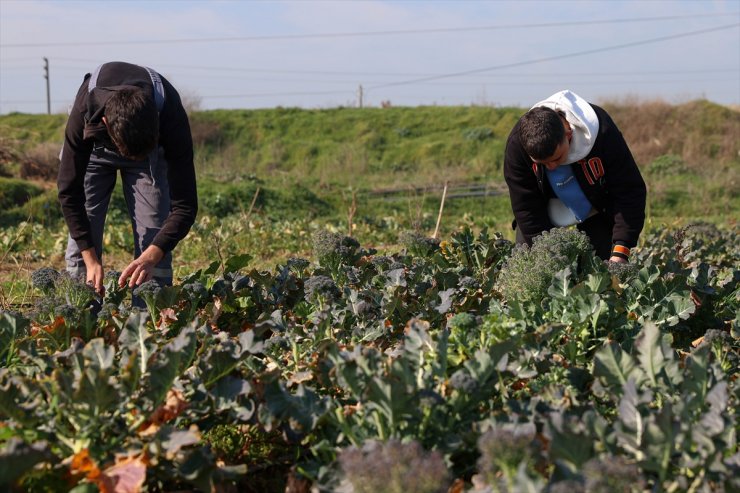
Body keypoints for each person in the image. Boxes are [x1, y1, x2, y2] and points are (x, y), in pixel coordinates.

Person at [58, 61, 198, 297]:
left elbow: (185, 206)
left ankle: (149, 318)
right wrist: (91, 260)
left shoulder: (171, 114)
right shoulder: (85, 110)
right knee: (86, 225)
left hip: (149, 154)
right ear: (105, 122)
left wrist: (153, 255)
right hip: (94, 150)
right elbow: (69, 193)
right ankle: (81, 313)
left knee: (154, 228)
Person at [503, 89, 646, 263]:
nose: (551, 167)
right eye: (542, 164)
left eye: (556, 158)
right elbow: (526, 207)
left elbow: (628, 189)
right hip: (543, 208)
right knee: (530, 266)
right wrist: (547, 257)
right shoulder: (517, 146)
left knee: (602, 274)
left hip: (596, 207)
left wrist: (621, 250)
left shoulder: (602, 131)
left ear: (568, 133)